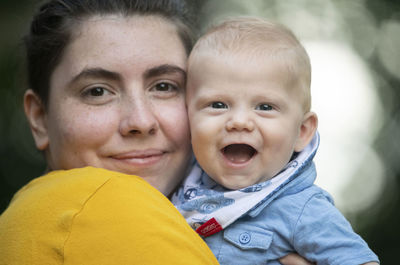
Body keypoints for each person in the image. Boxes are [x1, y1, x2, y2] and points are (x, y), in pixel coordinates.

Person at [0, 0, 219, 264]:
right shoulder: (105, 203)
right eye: (97, 91)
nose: (140, 121)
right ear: (40, 119)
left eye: (164, 87)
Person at [172, 17, 380, 265]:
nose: (239, 121)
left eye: (265, 107)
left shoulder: (302, 208)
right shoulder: (180, 186)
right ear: (187, 117)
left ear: (302, 131)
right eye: (218, 105)